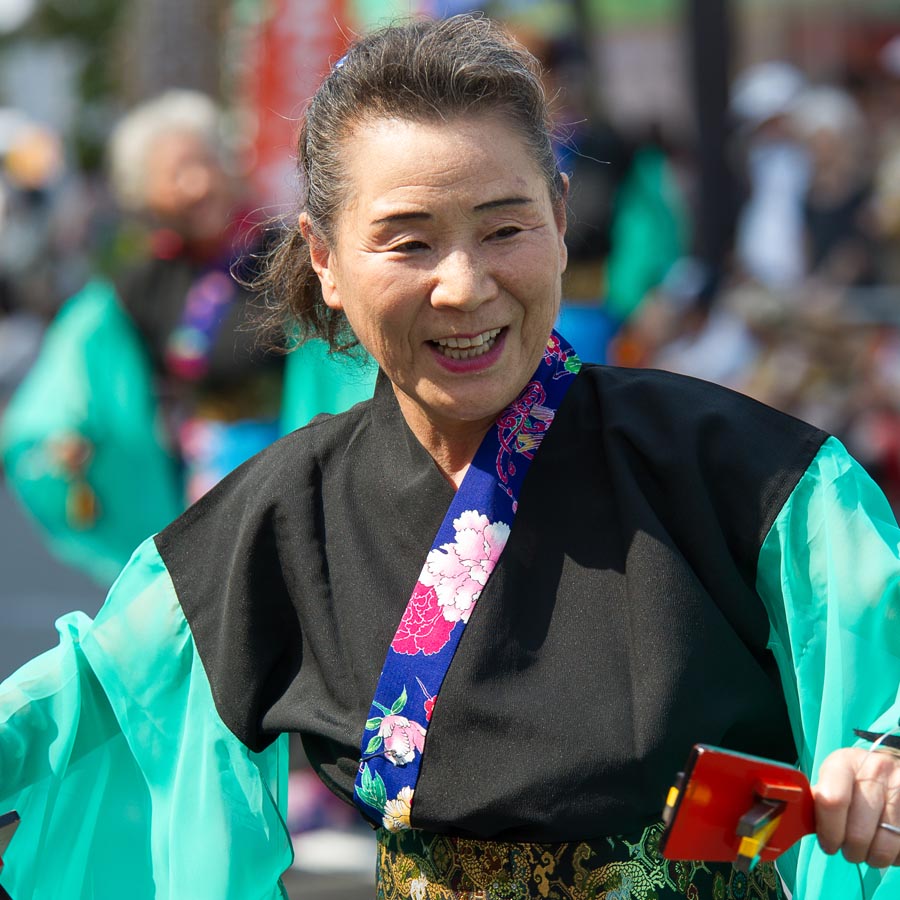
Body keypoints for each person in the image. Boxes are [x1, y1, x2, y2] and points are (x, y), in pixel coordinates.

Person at [1, 15, 899, 899]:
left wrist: (886, 758)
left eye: (505, 229)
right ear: (323, 257)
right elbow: (91, 694)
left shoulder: (751, 476)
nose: (465, 285)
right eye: (409, 241)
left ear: (557, 214)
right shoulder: (288, 512)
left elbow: (880, 644)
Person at [0, 90, 374, 585]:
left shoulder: (293, 258)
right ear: (141, 191)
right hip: (194, 489)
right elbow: (69, 381)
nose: (197, 184)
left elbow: (352, 358)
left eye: (205, 162)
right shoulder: (132, 290)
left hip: (299, 472)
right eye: (175, 173)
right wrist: (65, 436)